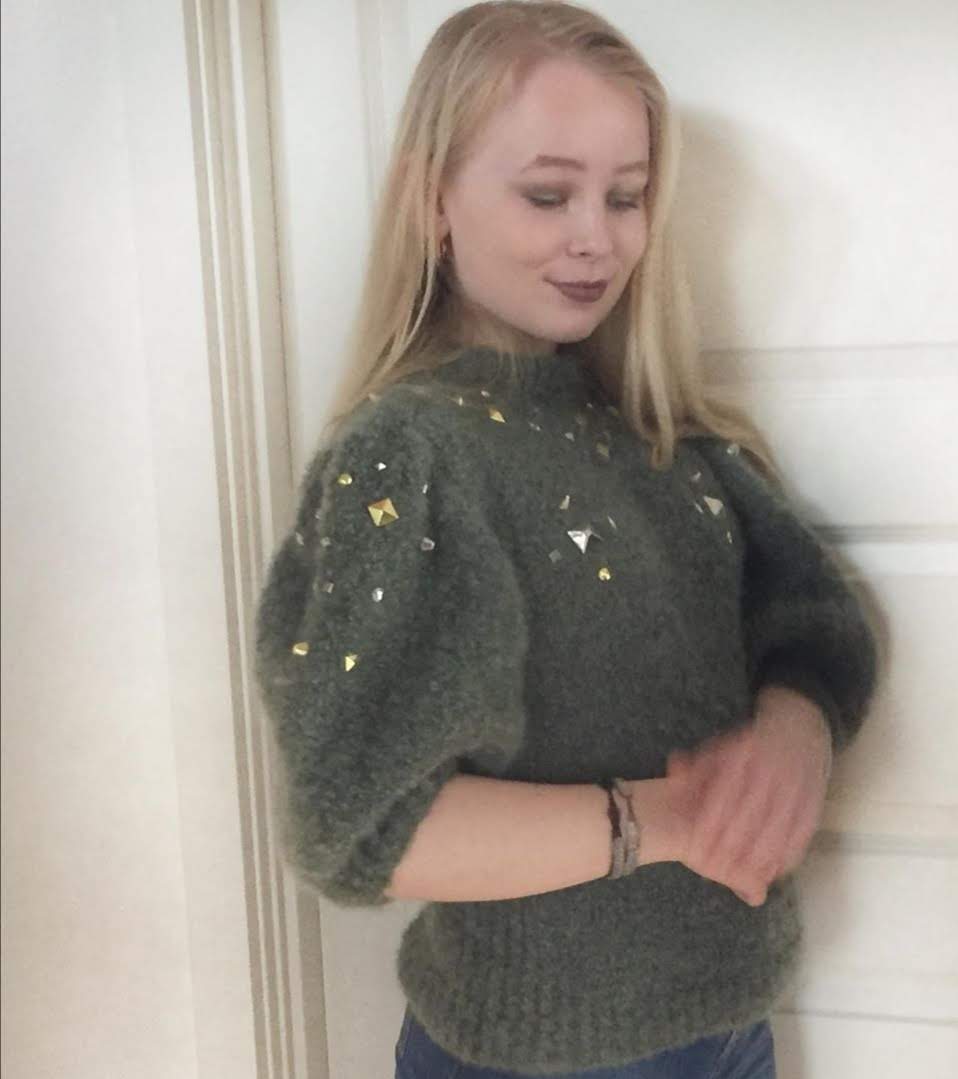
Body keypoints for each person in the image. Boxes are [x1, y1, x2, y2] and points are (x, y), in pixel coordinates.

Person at [253, 2, 880, 1076]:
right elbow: (363, 825)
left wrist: (797, 726)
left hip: (729, 1023)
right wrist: (668, 820)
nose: (598, 235)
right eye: (549, 193)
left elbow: (812, 619)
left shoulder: (656, 431)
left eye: (626, 195)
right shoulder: (413, 452)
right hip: (539, 1056)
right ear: (431, 199)